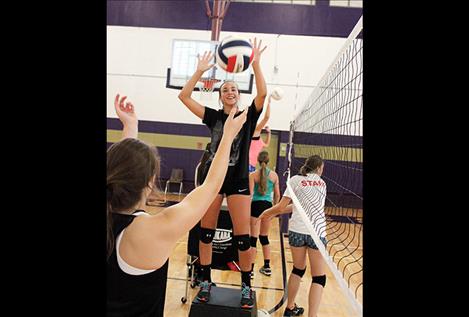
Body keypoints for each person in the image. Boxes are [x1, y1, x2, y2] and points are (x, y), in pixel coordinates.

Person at [107, 94, 247, 317]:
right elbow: (211, 186)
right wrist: (228, 135)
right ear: (151, 181)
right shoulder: (151, 231)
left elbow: (122, 167)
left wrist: (130, 126)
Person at [178, 38, 267, 309]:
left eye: (233, 89)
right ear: (220, 96)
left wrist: (257, 65)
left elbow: (262, 95)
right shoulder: (214, 118)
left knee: (242, 237)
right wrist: (199, 71)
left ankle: (246, 286)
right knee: (206, 234)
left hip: (239, 181)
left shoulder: (248, 116)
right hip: (213, 181)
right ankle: (205, 282)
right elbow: (183, 96)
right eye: (225, 89)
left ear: (238, 95)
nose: (230, 91)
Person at [258, 155, 327, 317]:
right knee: (319, 277)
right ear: (318, 168)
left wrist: (266, 213)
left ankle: (289, 308)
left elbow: (283, 207)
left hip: (296, 232)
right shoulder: (322, 183)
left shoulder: (295, 180)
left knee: (298, 269)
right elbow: (297, 207)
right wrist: (266, 213)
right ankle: (312, 315)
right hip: (317, 233)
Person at [248, 150, 280, 278]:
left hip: (255, 206)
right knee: (264, 237)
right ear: (268, 161)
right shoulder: (274, 176)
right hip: (267, 207)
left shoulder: (253, 175)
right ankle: (267, 267)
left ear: (258, 161)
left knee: (253, 239)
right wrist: (275, 209)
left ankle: (250, 270)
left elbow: (250, 195)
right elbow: (277, 195)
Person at [248, 95, 272, 173]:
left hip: (251, 166)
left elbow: (266, 144)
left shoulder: (258, 138)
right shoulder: (255, 131)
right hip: (248, 165)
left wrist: (269, 133)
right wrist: (268, 103)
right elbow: (266, 117)